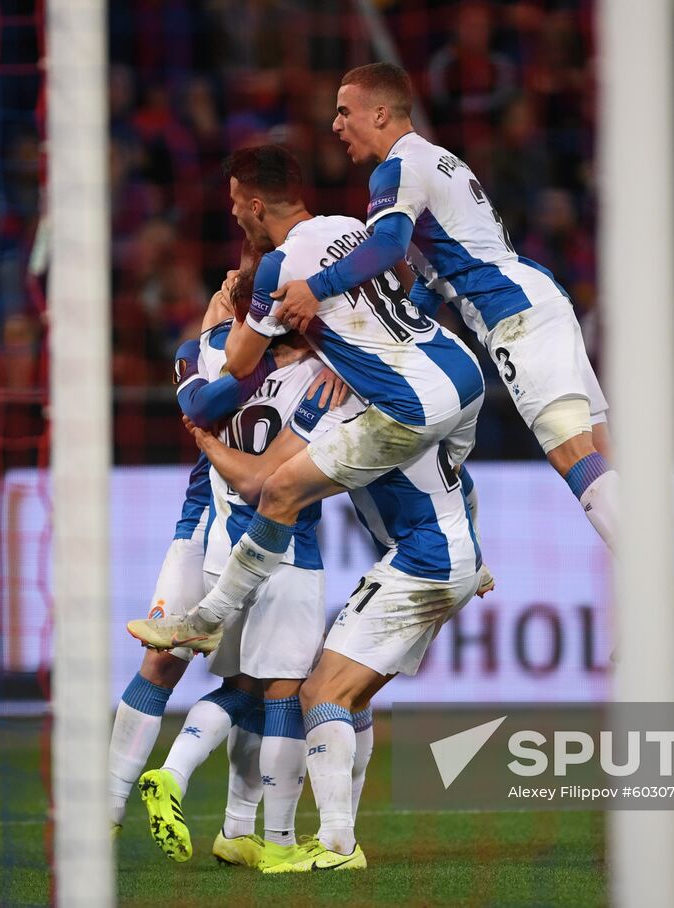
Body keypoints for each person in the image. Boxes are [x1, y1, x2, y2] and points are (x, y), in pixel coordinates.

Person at [270, 63, 674, 623]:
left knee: (574, 460)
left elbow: (386, 248)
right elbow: (437, 287)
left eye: (345, 111)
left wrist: (316, 289)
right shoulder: (443, 161)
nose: (336, 125)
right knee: (607, 454)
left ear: (380, 113)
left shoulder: (396, 170)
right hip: (542, 300)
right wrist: (384, 342)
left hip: (515, 321)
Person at [127, 144, 487, 648]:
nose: (232, 213)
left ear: (256, 207)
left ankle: (207, 623)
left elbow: (239, 362)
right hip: (462, 373)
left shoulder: (278, 266)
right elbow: (405, 283)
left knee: (279, 492)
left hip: (410, 402)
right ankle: (476, 558)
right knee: (443, 470)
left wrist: (226, 316)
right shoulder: (348, 226)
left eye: (235, 202)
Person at [182, 363, 485, 873]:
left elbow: (266, 485)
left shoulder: (354, 418)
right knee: (351, 692)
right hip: (444, 556)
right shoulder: (416, 411)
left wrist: (207, 440)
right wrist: (477, 556)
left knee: (320, 692)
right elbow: (466, 487)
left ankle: (339, 842)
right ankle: (339, 830)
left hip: (422, 560)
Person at [136, 261, 350, 870]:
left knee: (240, 688)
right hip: (285, 554)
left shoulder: (206, 360)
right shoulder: (323, 378)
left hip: (224, 554)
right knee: (283, 693)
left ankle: (194, 793)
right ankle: (279, 843)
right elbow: (268, 484)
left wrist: (206, 441)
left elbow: (213, 356)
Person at [104, 264, 287, 846]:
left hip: (199, 527)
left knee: (164, 665)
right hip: (234, 532)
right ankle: (232, 826)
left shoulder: (201, 350)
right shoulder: (301, 360)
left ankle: (109, 813)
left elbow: (203, 395)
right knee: (254, 683)